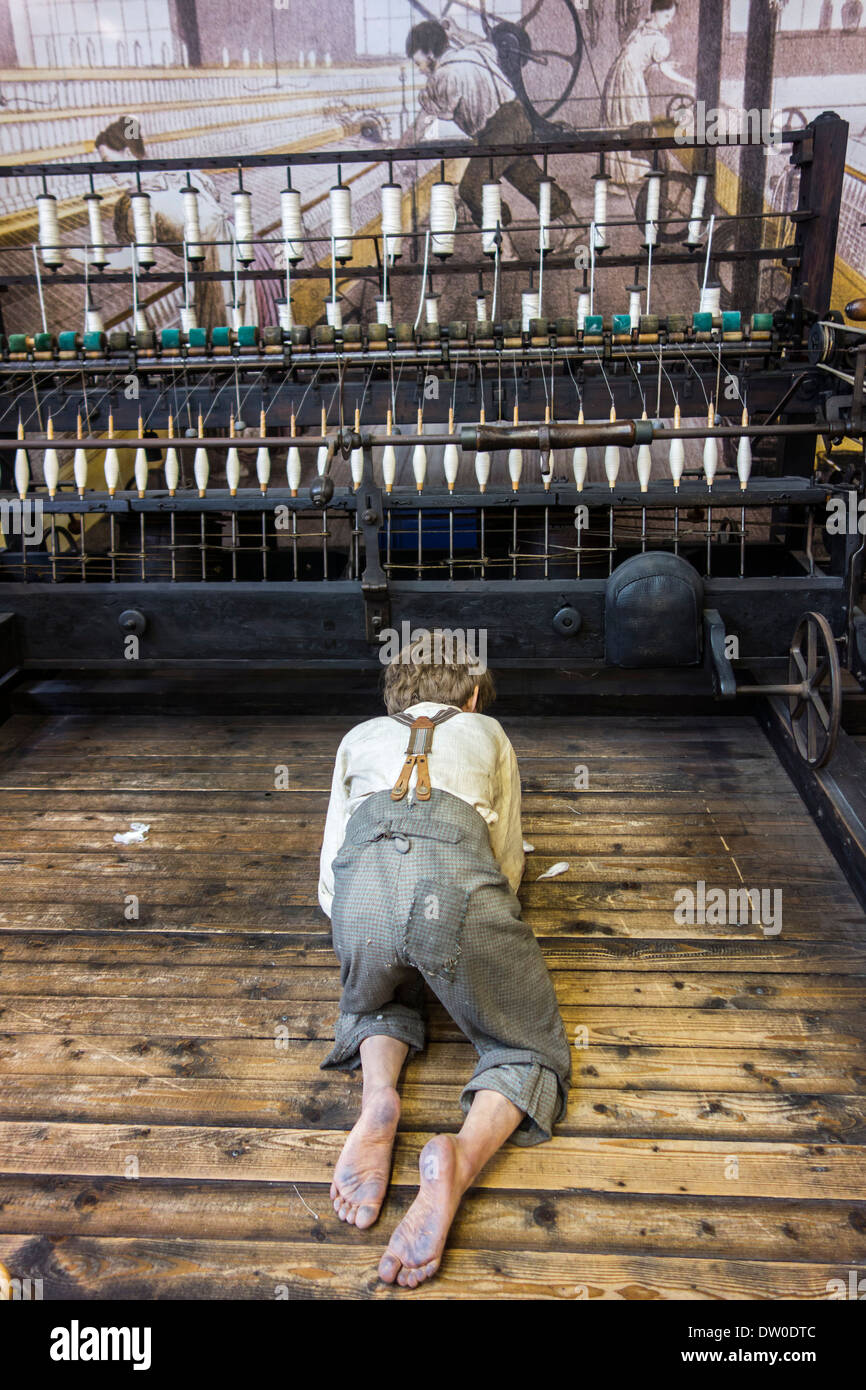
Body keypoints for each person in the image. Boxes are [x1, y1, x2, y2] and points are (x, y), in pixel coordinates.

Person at [318, 634, 571, 1288]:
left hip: (360, 901)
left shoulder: (358, 736)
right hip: (452, 890)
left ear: (391, 698)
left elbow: (329, 877)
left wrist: (373, 930)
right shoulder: (486, 731)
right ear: (475, 695)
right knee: (527, 1048)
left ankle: (380, 1103)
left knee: (376, 997)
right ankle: (459, 1156)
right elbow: (507, 864)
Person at [401, 19, 576, 256]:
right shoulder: (476, 51)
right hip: (518, 118)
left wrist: (400, 147)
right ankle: (573, 225)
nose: (419, 68)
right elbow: (489, 42)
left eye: (418, 61)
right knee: (527, 177)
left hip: (497, 130)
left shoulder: (445, 75)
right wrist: (458, 30)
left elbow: (424, 118)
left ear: (430, 53)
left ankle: (506, 250)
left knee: (472, 190)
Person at [601, 0, 695, 191]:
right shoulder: (660, 41)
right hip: (630, 82)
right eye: (667, 16)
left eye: (671, 17)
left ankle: (620, 175)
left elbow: (641, 57)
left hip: (617, 77)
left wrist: (660, 65)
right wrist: (689, 83)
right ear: (655, 13)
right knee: (634, 125)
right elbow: (663, 69)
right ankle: (618, 177)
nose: (669, 21)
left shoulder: (641, 28)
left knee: (620, 123)